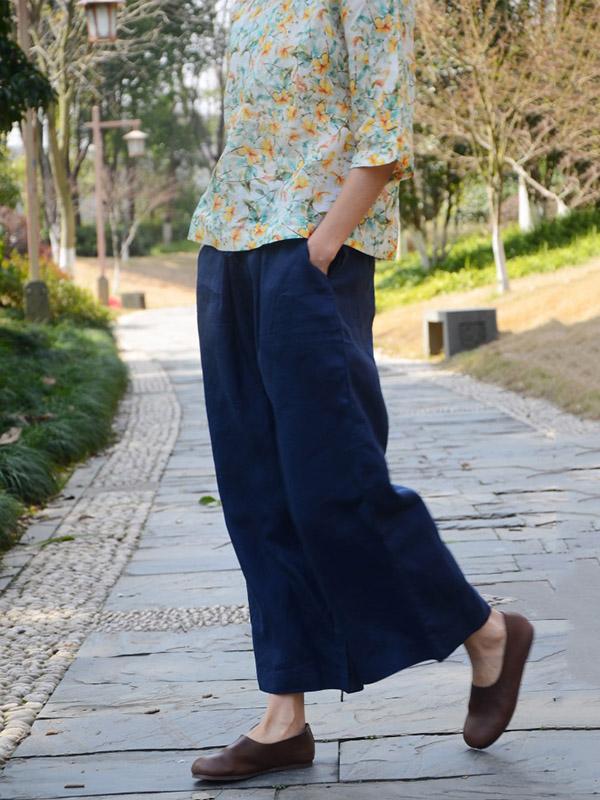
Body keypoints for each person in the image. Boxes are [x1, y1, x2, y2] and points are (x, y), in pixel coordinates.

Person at [188, 0, 534, 783]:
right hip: (231, 250)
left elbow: (383, 131)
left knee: (334, 483)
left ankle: (487, 633)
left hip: (309, 255)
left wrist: (323, 245)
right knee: (255, 494)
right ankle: (283, 716)